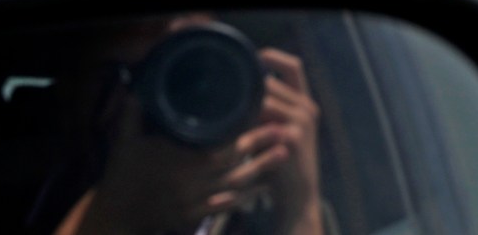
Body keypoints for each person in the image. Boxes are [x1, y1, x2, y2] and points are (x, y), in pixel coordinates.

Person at [49, 13, 326, 235]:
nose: (164, 102)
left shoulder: (264, 209)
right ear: (77, 92)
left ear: (249, 92)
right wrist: (114, 214)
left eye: (195, 74)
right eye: (128, 77)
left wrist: (300, 210)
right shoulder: (33, 193)